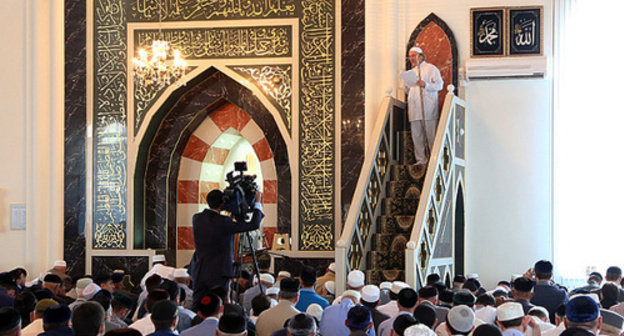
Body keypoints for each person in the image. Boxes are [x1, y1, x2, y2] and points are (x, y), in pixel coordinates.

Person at [189, 189, 264, 307]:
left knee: (198, 304)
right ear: (223, 203)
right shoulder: (224, 222)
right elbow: (253, 225)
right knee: (219, 305)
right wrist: (258, 203)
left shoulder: (197, 218)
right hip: (219, 273)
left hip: (199, 270)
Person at [401, 46, 443, 165]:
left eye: (413, 55)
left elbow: (439, 85)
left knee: (431, 136)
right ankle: (421, 160)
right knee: (417, 136)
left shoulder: (431, 68)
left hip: (428, 108)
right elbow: (407, 89)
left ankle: (434, 161)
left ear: (421, 56)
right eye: (410, 56)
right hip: (414, 109)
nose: (411, 58)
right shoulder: (410, 73)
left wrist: (426, 85)